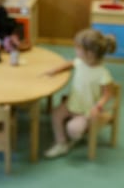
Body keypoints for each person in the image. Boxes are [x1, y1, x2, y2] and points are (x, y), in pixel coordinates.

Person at [43, 28, 117, 158]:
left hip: (86, 111)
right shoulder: (80, 62)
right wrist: (54, 70)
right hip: (71, 104)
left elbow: (107, 94)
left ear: (90, 53)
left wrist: (98, 107)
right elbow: (70, 64)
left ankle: (80, 132)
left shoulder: (102, 74)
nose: (75, 50)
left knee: (73, 130)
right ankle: (61, 143)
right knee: (55, 114)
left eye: (78, 48)